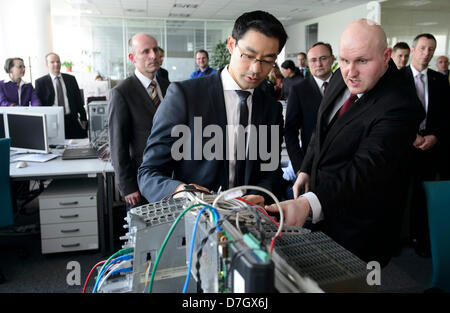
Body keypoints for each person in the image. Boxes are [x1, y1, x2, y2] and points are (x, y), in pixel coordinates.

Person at [266, 19, 424, 267]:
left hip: (360, 226)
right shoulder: (343, 74)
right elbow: (322, 128)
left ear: (386, 56)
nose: (350, 71)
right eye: (344, 60)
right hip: (322, 206)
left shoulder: (400, 104)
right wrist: (307, 167)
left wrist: (308, 203)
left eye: (362, 61)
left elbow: (365, 168)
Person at [138, 10, 287, 205]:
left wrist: (262, 195)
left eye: (268, 60)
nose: (256, 69)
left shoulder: (271, 109)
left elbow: (272, 173)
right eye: (248, 55)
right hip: (195, 217)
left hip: (249, 221)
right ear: (231, 45)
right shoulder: (186, 96)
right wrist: (180, 191)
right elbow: (149, 173)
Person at [400, 34, 450, 257]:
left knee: (424, 197)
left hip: (429, 147)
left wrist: (435, 137)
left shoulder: (440, 80)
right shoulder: (396, 78)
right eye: (422, 48)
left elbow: (447, 115)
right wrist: (410, 135)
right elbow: (391, 114)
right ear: (413, 50)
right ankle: (395, 241)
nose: (426, 53)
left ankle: (420, 239)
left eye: (431, 49)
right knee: (398, 195)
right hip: (403, 147)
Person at [108, 33, 170, 208]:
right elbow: (117, 145)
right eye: (146, 51)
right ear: (132, 58)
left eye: (156, 49)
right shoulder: (121, 92)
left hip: (171, 178)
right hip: (141, 182)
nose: (153, 55)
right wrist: (128, 187)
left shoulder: (168, 86)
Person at [285, 42, 335, 175]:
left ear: (332, 59)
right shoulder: (298, 90)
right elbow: (290, 131)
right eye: (313, 60)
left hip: (346, 162)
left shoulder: (347, 85)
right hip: (313, 164)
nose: (318, 64)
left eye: (323, 58)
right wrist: (300, 167)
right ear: (308, 62)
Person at [35, 53, 87, 139]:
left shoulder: (71, 79)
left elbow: (78, 100)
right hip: (53, 121)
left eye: (58, 62)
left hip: (71, 119)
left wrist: (83, 117)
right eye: (52, 62)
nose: (56, 64)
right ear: (47, 64)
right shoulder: (40, 82)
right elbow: (39, 104)